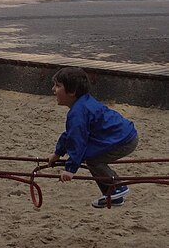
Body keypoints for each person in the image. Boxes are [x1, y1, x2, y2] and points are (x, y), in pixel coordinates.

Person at [47, 66, 138, 208]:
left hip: (123, 140)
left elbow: (78, 143)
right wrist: (58, 153)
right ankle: (112, 195)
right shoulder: (81, 105)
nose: (53, 89)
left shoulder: (79, 112)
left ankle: (117, 187)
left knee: (92, 159)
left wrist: (70, 169)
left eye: (58, 86)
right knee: (90, 157)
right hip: (122, 135)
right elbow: (70, 135)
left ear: (72, 92)